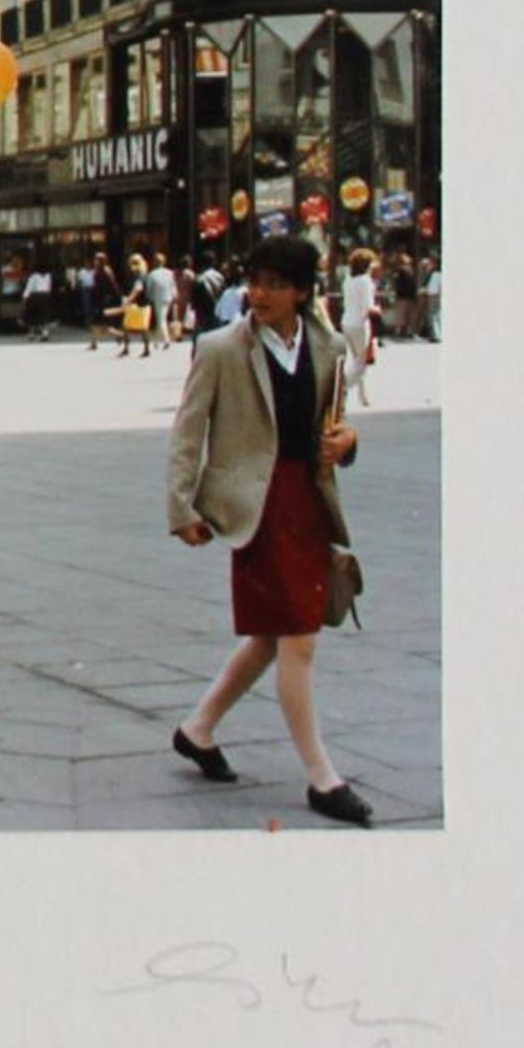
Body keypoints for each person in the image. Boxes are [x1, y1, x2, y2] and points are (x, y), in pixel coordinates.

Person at [166, 233, 372, 828]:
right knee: (299, 637)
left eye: (276, 284)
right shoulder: (221, 347)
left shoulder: (330, 346)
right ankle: (321, 777)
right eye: (255, 281)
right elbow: (187, 430)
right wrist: (182, 508)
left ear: (303, 292)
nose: (260, 294)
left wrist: (348, 442)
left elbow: (337, 425)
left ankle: (197, 729)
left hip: (307, 498)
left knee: (269, 636)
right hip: (254, 505)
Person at [339, 248, 379, 408]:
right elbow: (368, 307)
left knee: (356, 359)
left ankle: (363, 396)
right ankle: (342, 387)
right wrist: (378, 309)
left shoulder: (348, 279)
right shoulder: (365, 281)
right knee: (360, 364)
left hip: (346, 321)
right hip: (360, 324)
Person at [115, 253, 151, 358]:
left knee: (129, 326)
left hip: (138, 305)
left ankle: (131, 349)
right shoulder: (144, 273)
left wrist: (128, 300)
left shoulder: (138, 275)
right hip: (143, 304)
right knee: (141, 328)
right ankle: (144, 349)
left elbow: (137, 289)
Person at [145, 251, 178, 351]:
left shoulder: (152, 274)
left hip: (158, 298)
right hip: (168, 297)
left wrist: (148, 297)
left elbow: (149, 288)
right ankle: (156, 340)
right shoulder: (170, 273)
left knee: (161, 320)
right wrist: (174, 295)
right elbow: (173, 285)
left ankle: (166, 340)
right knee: (161, 318)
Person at [88, 252, 120, 350]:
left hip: (104, 299)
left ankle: (120, 336)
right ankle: (94, 343)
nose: (95, 261)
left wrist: (117, 295)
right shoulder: (97, 271)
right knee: (97, 322)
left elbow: (113, 284)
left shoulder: (106, 270)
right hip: (98, 299)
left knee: (101, 323)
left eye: (96, 260)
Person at [22, 263, 54, 342]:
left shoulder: (34, 276)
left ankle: (31, 334)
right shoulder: (48, 276)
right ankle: (45, 334)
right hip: (45, 297)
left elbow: (29, 287)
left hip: (35, 297)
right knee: (44, 316)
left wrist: (25, 297)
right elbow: (49, 287)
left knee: (32, 316)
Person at [419, 256, 441, 342]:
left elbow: (432, 288)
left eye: (426, 265)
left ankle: (436, 335)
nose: (424, 267)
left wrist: (424, 291)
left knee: (433, 315)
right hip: (435, 295)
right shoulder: (435, 273)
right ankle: (436, 334)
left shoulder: (433, 274)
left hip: (433, 296)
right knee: (436, 315)